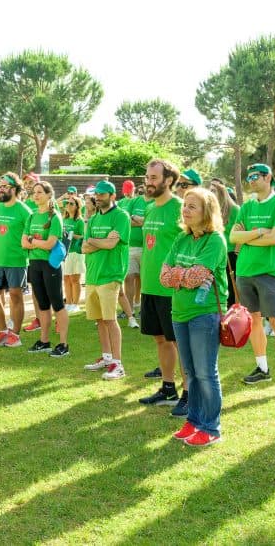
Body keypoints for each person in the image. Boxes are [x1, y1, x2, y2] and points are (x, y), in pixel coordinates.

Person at [230, 164, 275, 397]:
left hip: (269, 272)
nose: (251, 180)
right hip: (244, 271)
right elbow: (233, 236)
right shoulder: (247, 206)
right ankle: (262, 369)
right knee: (253, 320)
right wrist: (259, 232)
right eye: (249, 177)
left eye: (256, 176)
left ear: (268, 177)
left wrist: (248, 238)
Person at [160, 187, 227, 446]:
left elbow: (197, 277)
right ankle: (195, 420)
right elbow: (163, 276)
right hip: (179, 312)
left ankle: (211, 427)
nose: (185, 210)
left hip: (204, 314)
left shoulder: (215, 240)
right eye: (184, 205)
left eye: (192, 206)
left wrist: (179, 274)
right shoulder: (181, 238)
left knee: (205, 372)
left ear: (206, 212)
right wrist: (184, 276)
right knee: (190, 372)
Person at [137, 161, 186, 411]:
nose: (149, 182)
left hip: (171, 288)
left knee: (179, 342)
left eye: (154, 177)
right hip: (150, 285)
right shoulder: (149, 209)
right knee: (160, 339)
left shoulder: (180, 207)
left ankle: (190, 394)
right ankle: (168, 388)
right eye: (147, 177)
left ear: (168, 180)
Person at [81, 180, 131, 380]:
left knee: (110, 319)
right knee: (99, 320)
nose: (98, 197)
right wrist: (99, 241)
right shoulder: (93, 218)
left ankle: (118, 364)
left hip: (111, 275)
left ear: (112, 196)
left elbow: (111, 245)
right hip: (92, 275)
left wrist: (94, 241)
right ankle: (107, 357)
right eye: (97, 194)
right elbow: (84, 247)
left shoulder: (121, 216)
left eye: (102, 194)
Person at [22, 180, 70, 357]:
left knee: (57, 303)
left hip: (50, 264)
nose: (35, 195)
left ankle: (63, 344)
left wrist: (33, 241)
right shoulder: (31, 216)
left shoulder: (54, 217)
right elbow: (23, 242)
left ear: (49, 195)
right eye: (34, 192)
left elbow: (50, 244)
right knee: (42, 304)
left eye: (40, 192)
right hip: (34, 264)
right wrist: (36, 243)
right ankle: (44, 341)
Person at [0, 173, 32, 348]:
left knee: (15, 296)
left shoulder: (24, 210)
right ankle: (3, 330)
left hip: (17, 260)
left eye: (4, 186)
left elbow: (32, 233)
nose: (1, 190)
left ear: (14, 189)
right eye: (0, 187)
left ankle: (15, 335)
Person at [119, 179, 148, 328]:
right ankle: (129, 310)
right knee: (129, 278)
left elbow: (151, 222)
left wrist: (139, 220)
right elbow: (126, 220)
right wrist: (142, 221)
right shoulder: (134, 202)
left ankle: (143, 308)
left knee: (144, 279)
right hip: (130, 247)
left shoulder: (154, 203)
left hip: (147, 248)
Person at [61, 195, 85, 314]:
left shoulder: (79, 221)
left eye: (71, 203)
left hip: (75, 252)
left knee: (74, 279)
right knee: (66, 279)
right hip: (65, 252)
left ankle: (75, 304)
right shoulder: (64, 220)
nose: (68, 205)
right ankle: (68, 303)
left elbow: (83, 236)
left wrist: (71, 234)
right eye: (67, 203)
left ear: (77, 206)